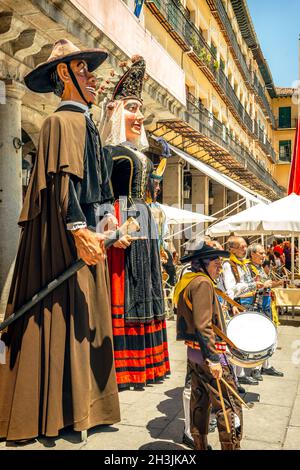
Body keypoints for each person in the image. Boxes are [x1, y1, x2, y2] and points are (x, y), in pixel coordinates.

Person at [0, 39, 121, 442]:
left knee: (84, 322)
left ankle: (82, 409)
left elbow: (96, 188)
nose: (94, 79)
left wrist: (106, 225)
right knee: (57, 316)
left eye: (90, 70)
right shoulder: (59, 122)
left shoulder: (86, 124)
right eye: (84, 71)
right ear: (64, 76)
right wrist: (78, 230)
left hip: (87, 241)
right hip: (64, 243)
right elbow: (62, 182)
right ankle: (50, 411)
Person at [101, 56, 170, 390]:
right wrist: (110, 230)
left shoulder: (137, 153)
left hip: (142, 222)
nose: (140, 116)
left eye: (140, 109)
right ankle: (126, 367)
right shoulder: (110, 152)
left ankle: (147, 365)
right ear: (114, 111)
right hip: (124, 220)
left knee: (144, 288)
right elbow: (101, 195)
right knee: (126, 288)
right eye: (131, 108)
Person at [174, 243, 243, 450]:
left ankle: (200, 447)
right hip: (209, 357)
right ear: (202, 264)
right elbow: (203, 325)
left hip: (195, 355)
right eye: (216, 263)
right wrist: (214, 360)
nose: (219, 267)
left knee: (200, 404)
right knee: (228, 406)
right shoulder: (202, 283)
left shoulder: (189, 281)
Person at [247, 244, 284, 380]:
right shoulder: (249, 268)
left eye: (264, 253)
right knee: (259, 337)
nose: (264, 256)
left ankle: (266, 365)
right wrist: (267, 285)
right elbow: (250, 288)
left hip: (266, 305)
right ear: (252, 254)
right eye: (261, 253)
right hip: (257, 306)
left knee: (269, 336)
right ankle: (256, 368)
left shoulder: (259, 268)